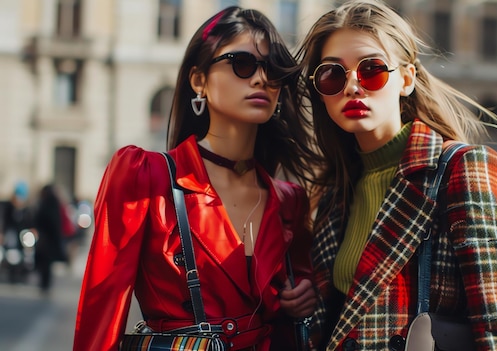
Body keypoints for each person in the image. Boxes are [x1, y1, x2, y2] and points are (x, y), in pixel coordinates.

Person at [74, 6, 320, 351]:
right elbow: (100, 318)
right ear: (199, 80)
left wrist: (301, 298)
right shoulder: (145, 177)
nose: (261, 79)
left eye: (274, 69)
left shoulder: (288, 199)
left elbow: (289, 318)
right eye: (243, 64)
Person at [296, 1, 497, 350]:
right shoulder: (336, 190)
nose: (353, 87)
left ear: (406, 79)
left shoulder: (462, 167)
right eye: (333, 74)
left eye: (371, 69)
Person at [34, 183, 68, 293]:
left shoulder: (47, 203)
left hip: (46, 238)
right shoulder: (51, 202)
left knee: (45, 262)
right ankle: (45, 283)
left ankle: (45, 283)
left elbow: (45, 219)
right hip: (48, 237)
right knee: (46, 262)